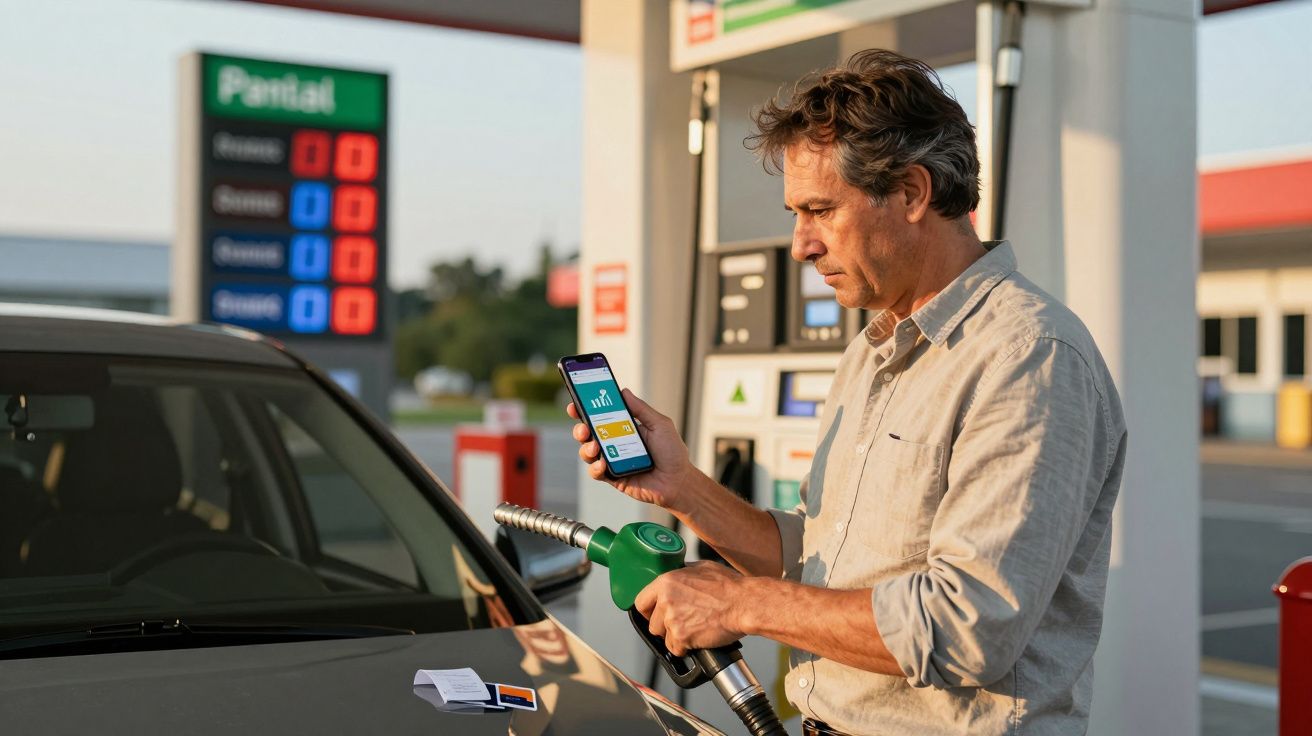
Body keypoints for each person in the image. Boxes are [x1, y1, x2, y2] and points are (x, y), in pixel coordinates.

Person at [568, 49, 1126, 736]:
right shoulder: (875, 349)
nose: (800, 244)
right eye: (796, 213)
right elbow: (817, 557)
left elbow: (968, 627)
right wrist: (683, 486)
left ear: (914, 193)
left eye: (820, 210)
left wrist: (739, 605)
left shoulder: (1027, 357)